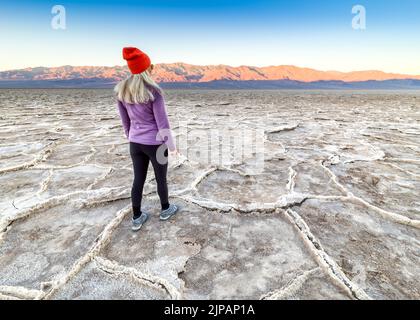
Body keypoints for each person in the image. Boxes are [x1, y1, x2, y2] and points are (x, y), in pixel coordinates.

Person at [114, 47, 179, 231]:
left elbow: (125, 121)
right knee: (161, 178)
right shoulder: (154, 91)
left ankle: (137, 217)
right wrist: (171, 146)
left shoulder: (122, 90)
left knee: (138, 179)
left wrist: (132, 137)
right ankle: (165, 209)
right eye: (150, 66)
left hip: (135, 144)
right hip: (156, 145)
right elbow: (162, 123)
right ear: (146, 69)